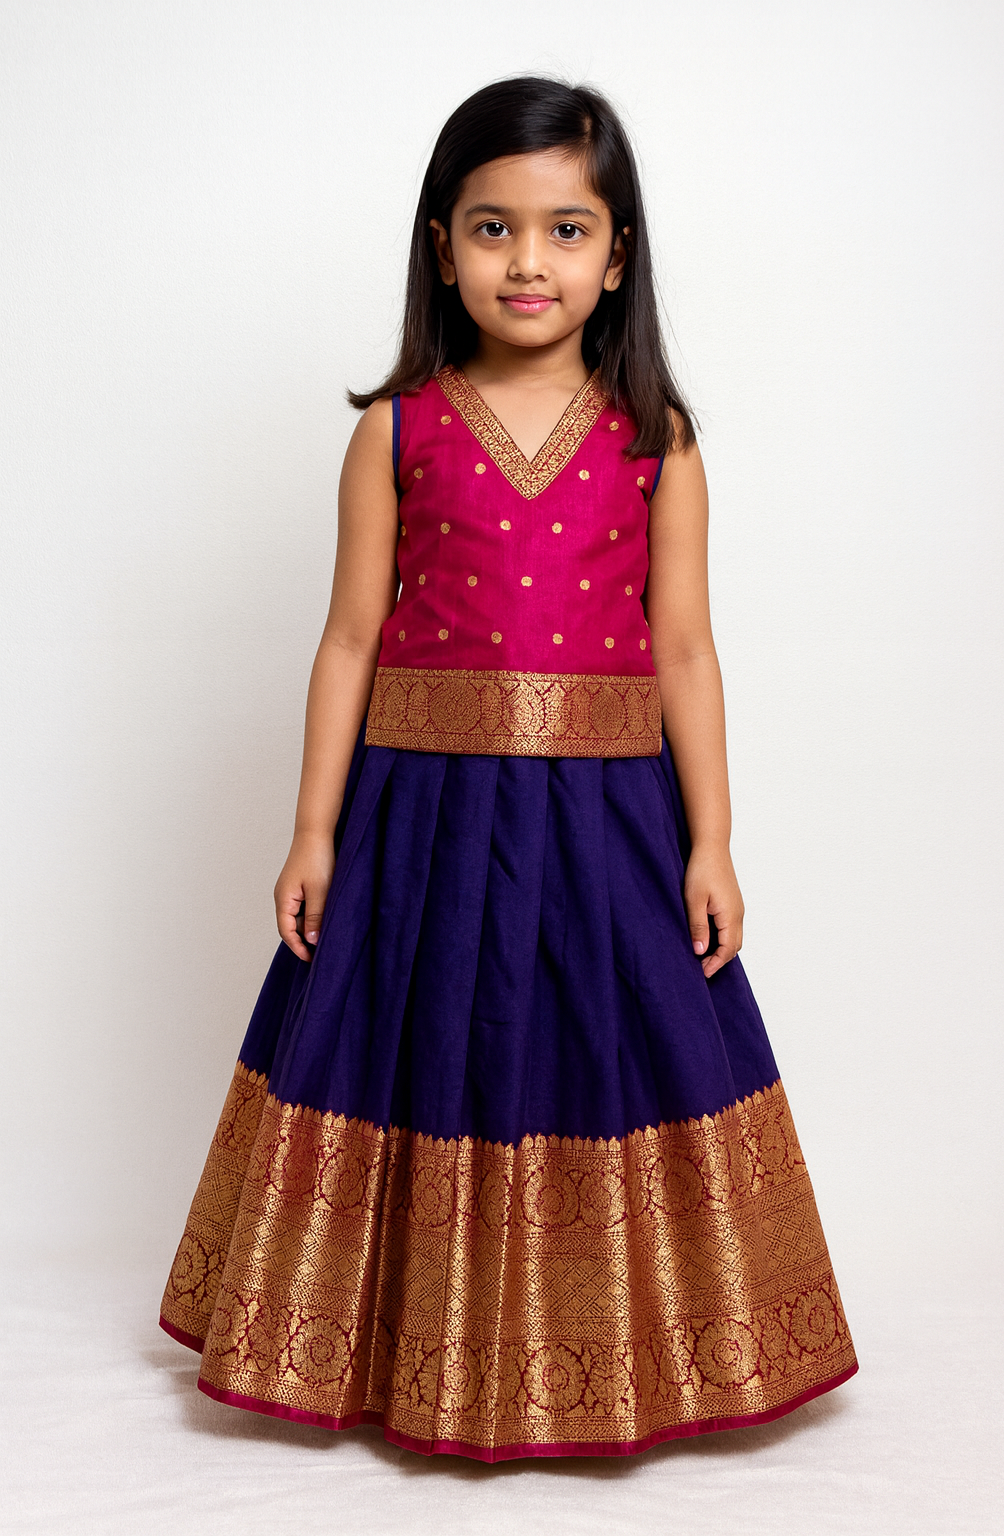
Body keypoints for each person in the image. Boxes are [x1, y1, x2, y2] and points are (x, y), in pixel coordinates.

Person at [160, 76, 857, 1461]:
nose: (528, 262)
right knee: (422, 1056)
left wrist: (713, 842)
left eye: (565, 230)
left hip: (607, 825)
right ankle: (406, 1355)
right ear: (441, 247)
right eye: (493, 228)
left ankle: (610, 1362)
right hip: (419, 822)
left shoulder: (656, 441)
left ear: (617, 257)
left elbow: (686, 651)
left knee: (599, 1056)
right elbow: (351, 638)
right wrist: (313, 832)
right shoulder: (398, 429)